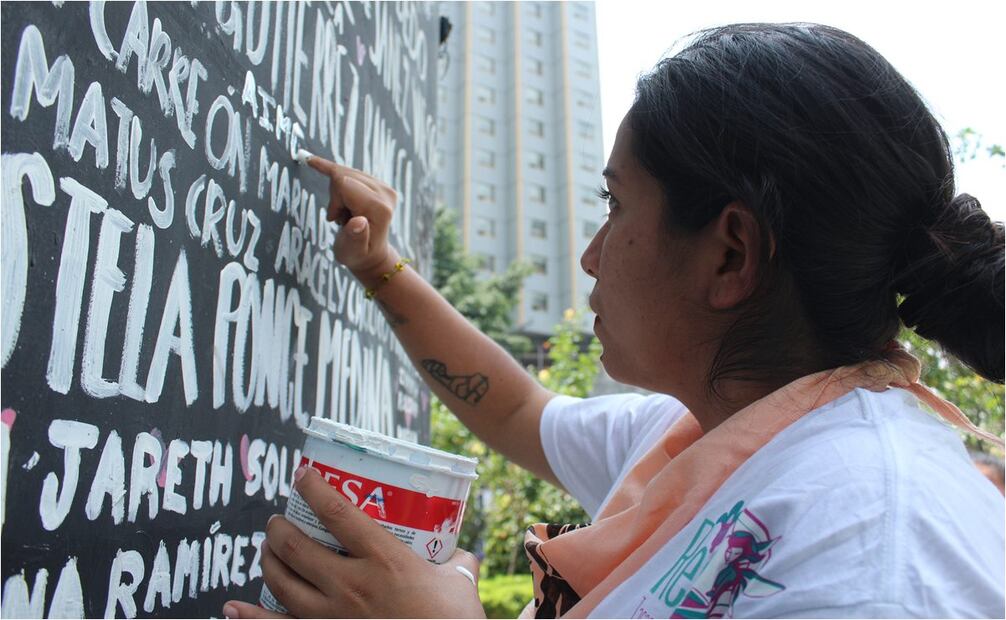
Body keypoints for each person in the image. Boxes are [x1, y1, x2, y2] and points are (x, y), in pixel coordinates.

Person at [224, 22, 1005, 619]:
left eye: (616, 204)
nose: (591, 256)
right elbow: (518, 410)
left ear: (730, 255)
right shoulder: (701, 434)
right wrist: (380, 269)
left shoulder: (874, 557)